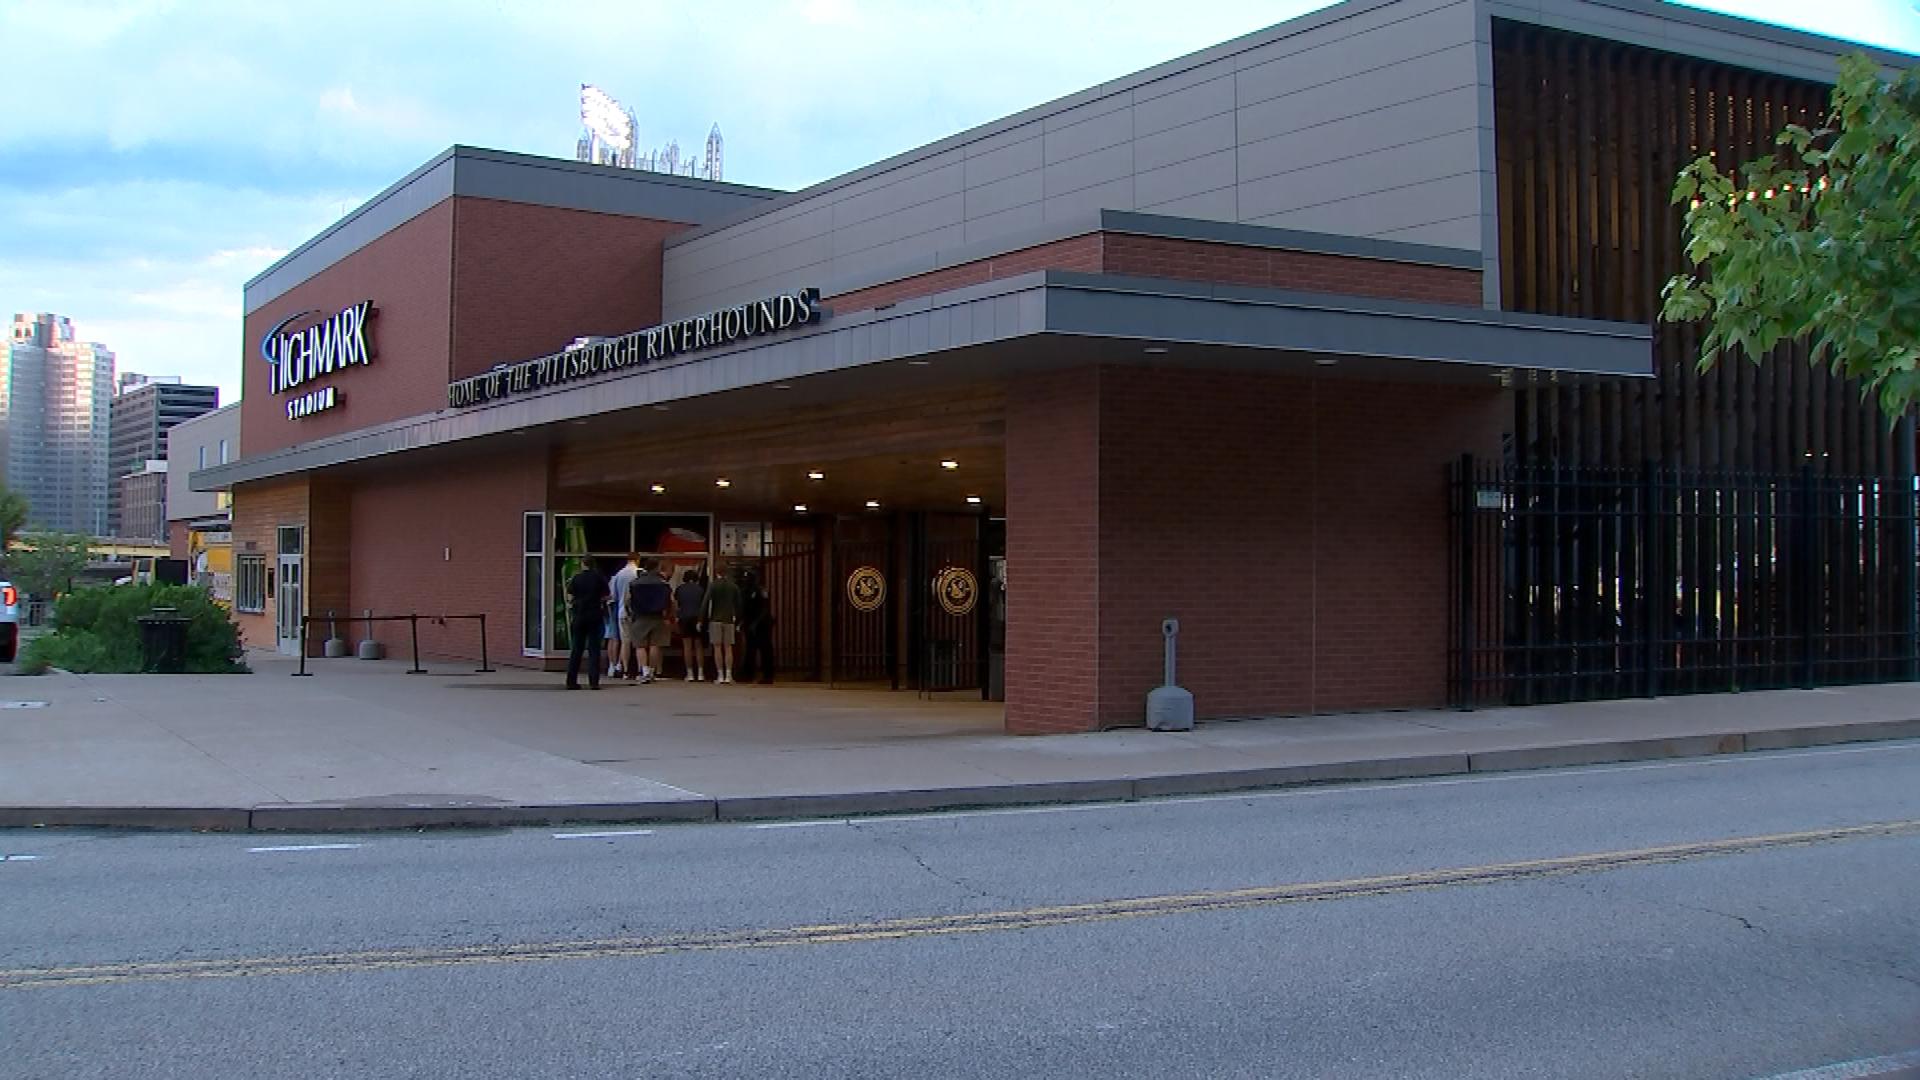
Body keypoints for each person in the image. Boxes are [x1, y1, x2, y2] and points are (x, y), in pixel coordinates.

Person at [623, 558, 673, 683]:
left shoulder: (635, 583)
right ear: (656, 567)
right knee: (655, 645)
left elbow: (627, 601)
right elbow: (670, 602)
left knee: (640, 645)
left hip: (640, 617)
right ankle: (652, 671)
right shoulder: (663, 583)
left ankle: (643, 671)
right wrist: (668, 616)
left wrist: (630, 614)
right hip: (658, 617)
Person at [564, 559, 611, 690]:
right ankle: (593, 682)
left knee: (576, 649)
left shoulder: (577, 578)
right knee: (594, 649)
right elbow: (607, 595)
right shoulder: (599, 578)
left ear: (582, 564)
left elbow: (569, 595)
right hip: (594, 615)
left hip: (579, 615)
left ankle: (571, 681)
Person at [703, 563, 743, 685]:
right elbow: (739, 605)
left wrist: (701, 619)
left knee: (717, 647)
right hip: (729, 620)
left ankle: (720, 675)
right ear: (727, 573)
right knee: (728, 647)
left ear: (716, 572)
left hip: (715, 619)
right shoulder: (733, 586)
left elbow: (705, 603)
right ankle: (729, 675)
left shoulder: (713, 585)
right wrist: (739, 620)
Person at [740, 570, 776, 685]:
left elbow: (765, 608)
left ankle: (768, 675)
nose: (746, 581)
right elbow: (744, 608)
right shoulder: (745, 591)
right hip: (749, 624)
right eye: (744, 579)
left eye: (747, 578)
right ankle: (748, 674)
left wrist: (756, 623)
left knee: (765, 650)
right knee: (750, 650)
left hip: (762, 625)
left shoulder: (761, 590)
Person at [608, 553, 639, 679]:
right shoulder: (639, 572)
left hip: (621, 611)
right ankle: (640, 669)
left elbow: (613, 596)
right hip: (636, 612)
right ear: (638, 560)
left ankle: (624, 669)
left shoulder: (619, 574)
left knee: (624, 642)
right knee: (638, 643)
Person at [674, 569, 708, 682]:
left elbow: (677, 605)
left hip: (684, 618)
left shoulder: (680, 589)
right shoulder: (701, 589)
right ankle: (701, 673)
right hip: (697, 618)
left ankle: (690, 673)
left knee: (687, 647)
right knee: (698, 646)